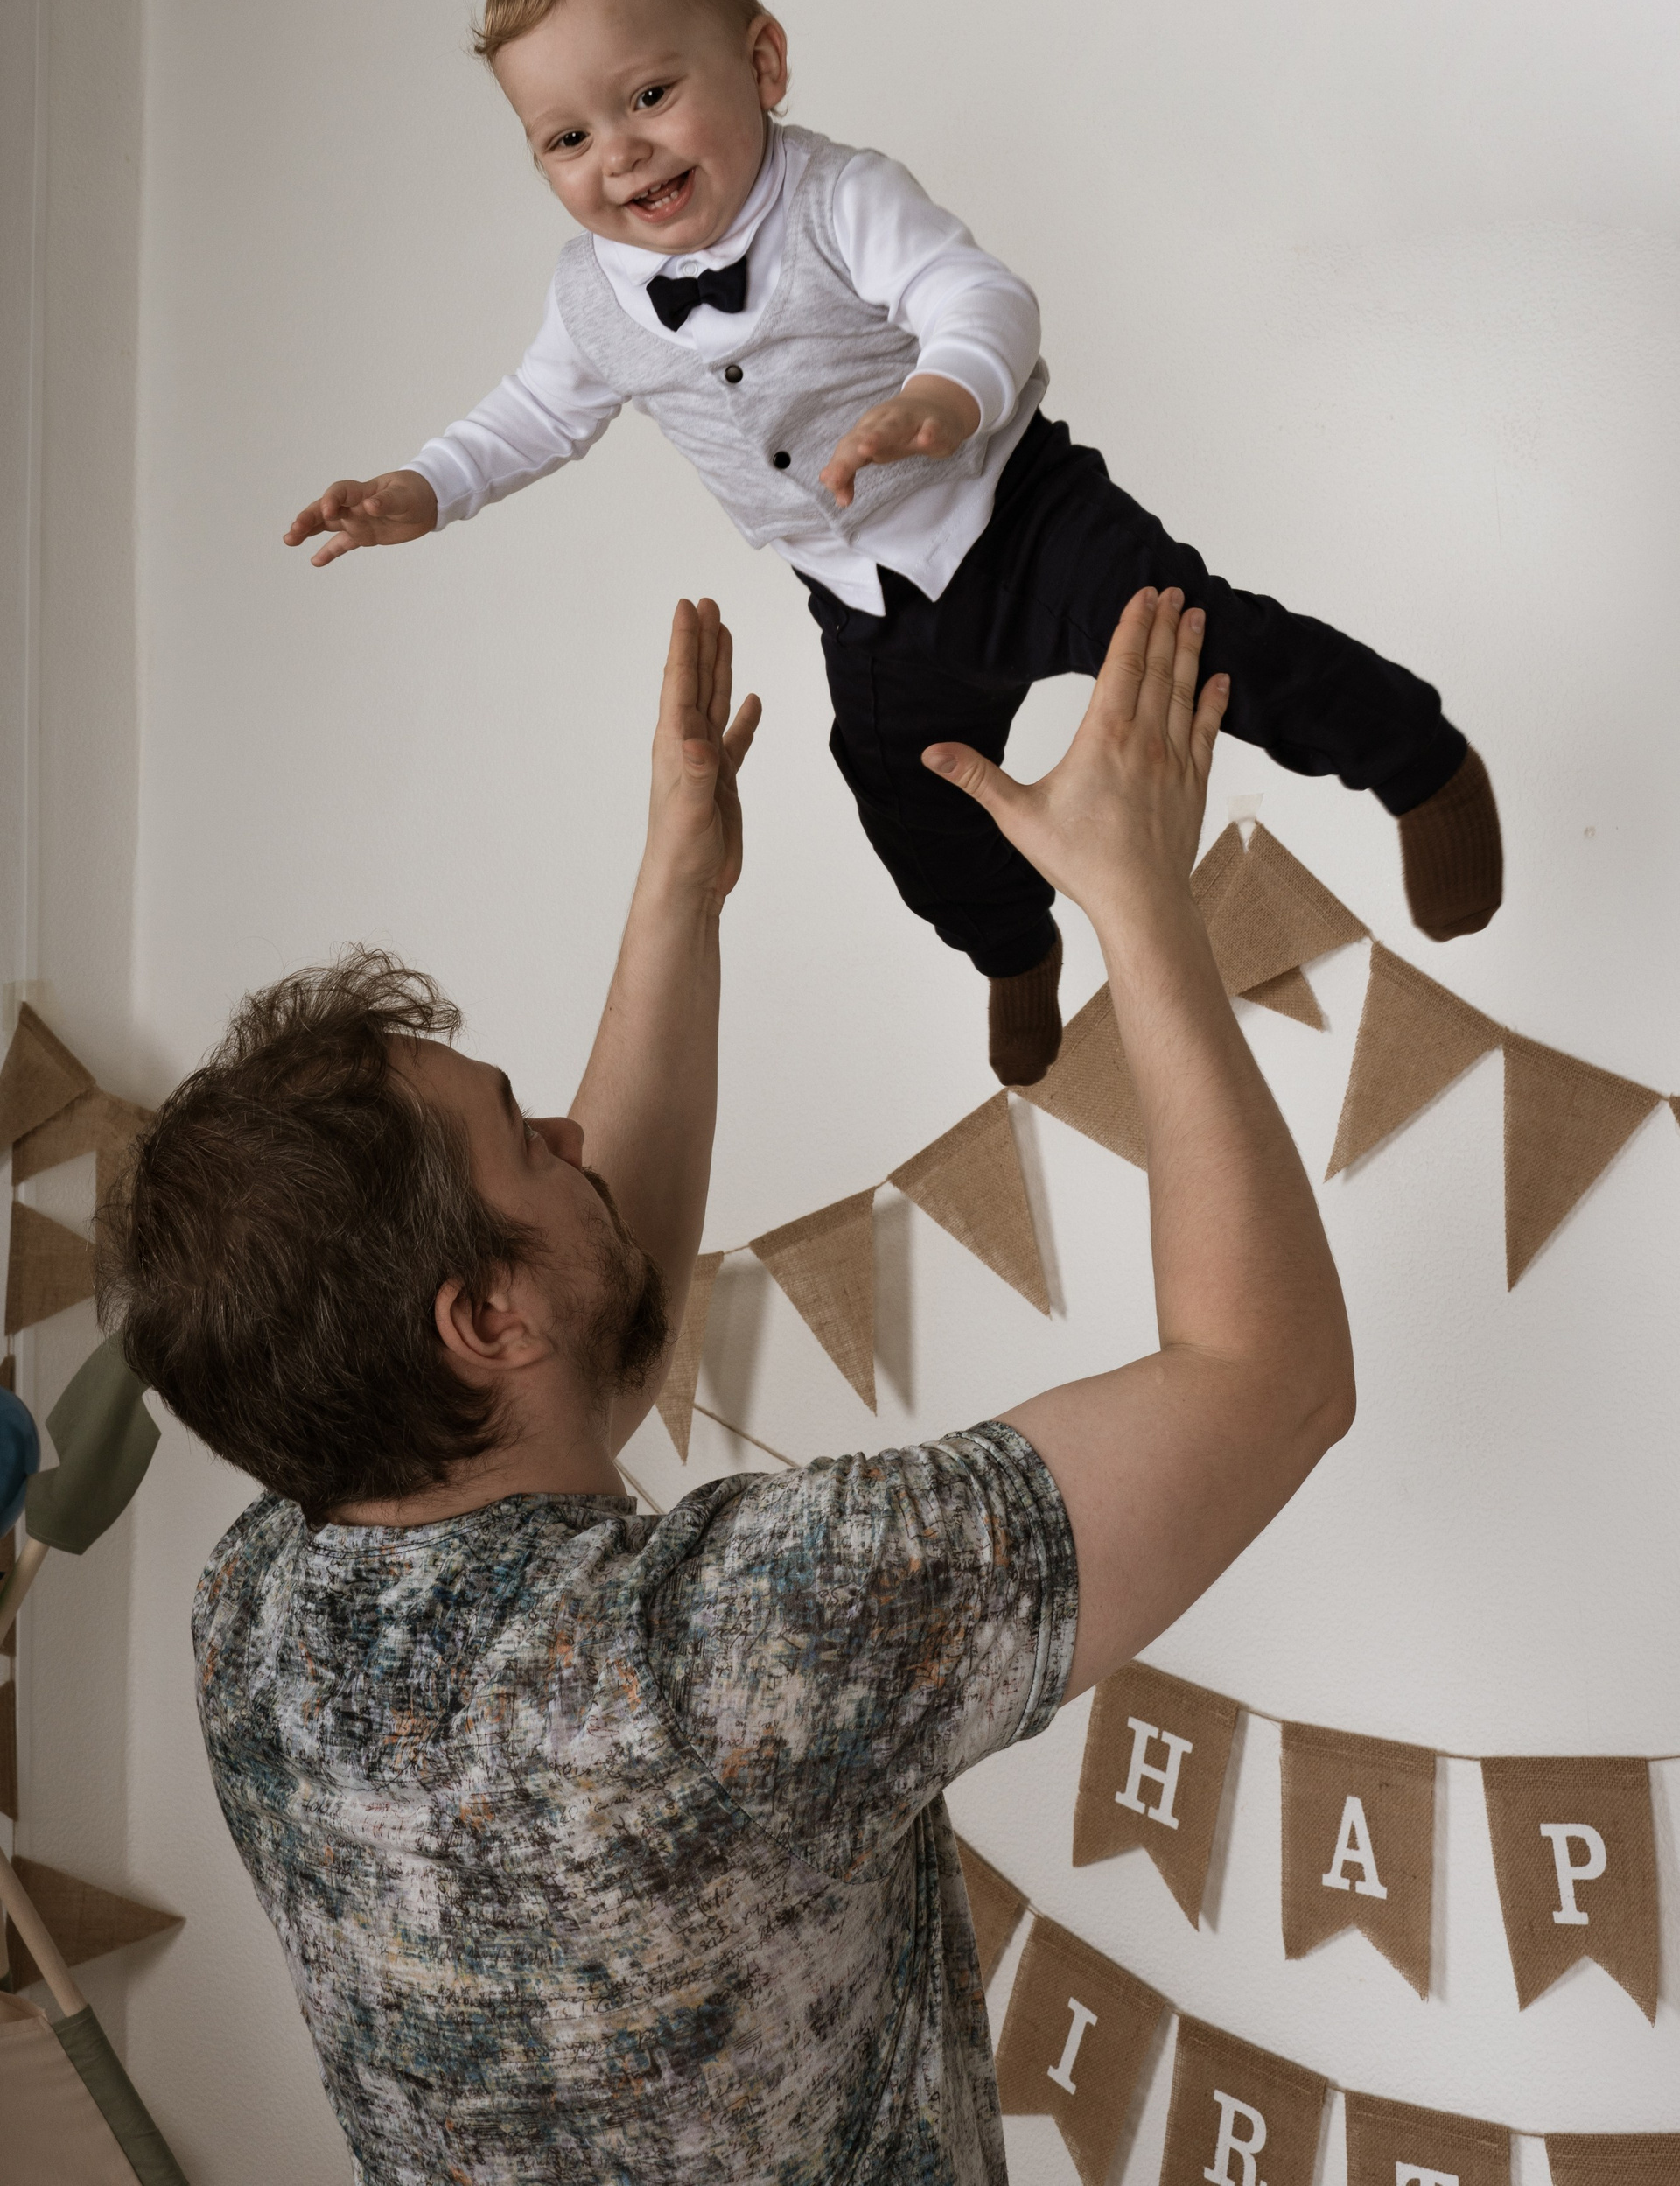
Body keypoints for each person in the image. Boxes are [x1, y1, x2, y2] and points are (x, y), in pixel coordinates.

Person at [107, 589, 1353, 2185]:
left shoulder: (260, 1620)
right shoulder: (731, 1654)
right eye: (525, 1139)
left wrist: (680, 889)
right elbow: (1269, 1379)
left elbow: (578, 1347)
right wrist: (1141, 902)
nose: (570, 1134)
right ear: (481, 1317)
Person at [284, 0, 1502, 1090]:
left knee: (1207, 650)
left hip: (1018, 512)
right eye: (567, 138)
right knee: (908, 811)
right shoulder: (590, 295)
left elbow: (979, 298)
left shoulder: (839, 196)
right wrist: (426, 487)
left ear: (762, 62)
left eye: (650, 95)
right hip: (863, 601)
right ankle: (1013, 950)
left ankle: (1419, 762)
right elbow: (536, 413)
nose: (621, 152)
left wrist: (944, 394)